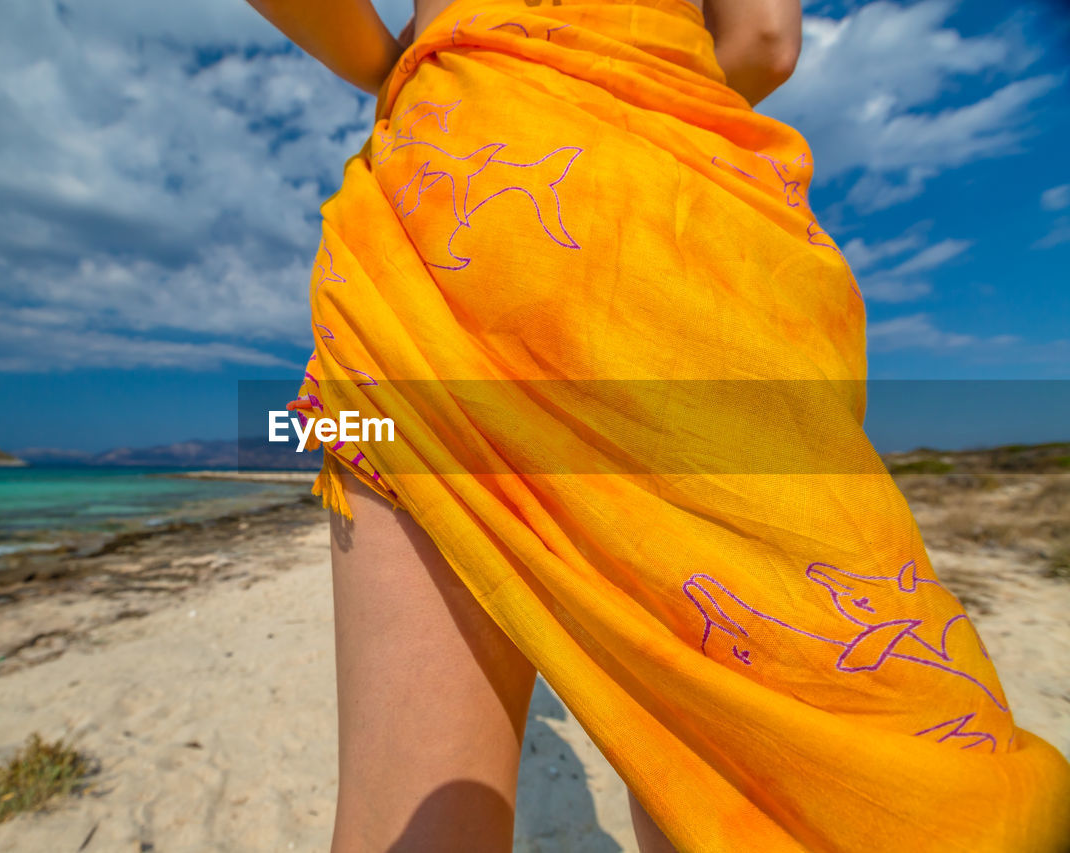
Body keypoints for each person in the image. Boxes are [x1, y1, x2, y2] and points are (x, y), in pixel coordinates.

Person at [244, 0, 1070, 850]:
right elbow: (767, 42)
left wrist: (400, 64)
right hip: (667, 216)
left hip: (457, 179)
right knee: (735, 767)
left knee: (409, 800)